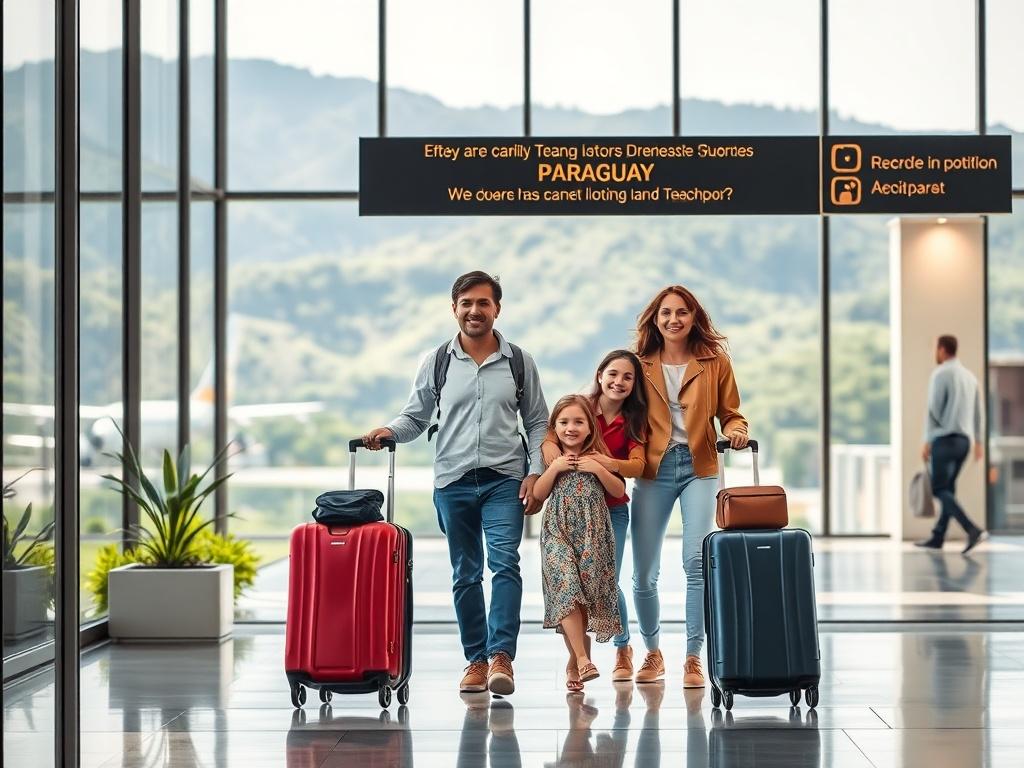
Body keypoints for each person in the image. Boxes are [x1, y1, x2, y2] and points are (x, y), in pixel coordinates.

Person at [362, 271, 549, 696]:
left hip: (506, 478)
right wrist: (389, 431)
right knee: (466, 572)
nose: (474, 311)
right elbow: (416, 417)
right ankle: (475, 660)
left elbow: (537, 421)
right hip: (453, 480)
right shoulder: (438, 361)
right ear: (454, 309)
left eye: (483, 303)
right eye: (466, 303)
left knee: (505, 563)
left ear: (497, 309)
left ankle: (502, 657)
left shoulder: (519, 361)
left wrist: (535, 473)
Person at [629, 285, 749, 688]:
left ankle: (694, 657)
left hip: (701, 465)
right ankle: (652, 652)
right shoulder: (640, 363)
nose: (674, 319)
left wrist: (736, 430)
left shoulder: (714, 362)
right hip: (652, 468)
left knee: (696, 562)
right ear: (655, 319)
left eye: (682, 312)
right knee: (644, 571)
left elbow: (731, 414)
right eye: (666, 313)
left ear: (694, 317)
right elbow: (612, 406)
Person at [541, 350, 648, 682]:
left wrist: (603, 463)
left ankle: (622, 648)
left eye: (627, 377)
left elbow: (635, 469)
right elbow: (549, 436)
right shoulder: (579, 407)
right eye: (612, 374)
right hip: (561, 520)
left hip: (607, 515)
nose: (618, 382)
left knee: (604, 584)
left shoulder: (632, 420)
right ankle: (579, 658)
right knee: (566, 585)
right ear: (599, 374)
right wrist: (552, 460)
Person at [534, 395, 624, 692]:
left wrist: (598, 468)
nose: (570, 428)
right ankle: (584, 659)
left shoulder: (599, 454)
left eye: (578, 422)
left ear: (589, 428)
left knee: (583, 598)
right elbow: (538, 492)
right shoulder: (551, 456)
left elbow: (619, 489)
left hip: (592, 534)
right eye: (563, 422)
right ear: (554, 426)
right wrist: (555, 468)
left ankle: (574, 662)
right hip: (557, 531)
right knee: (566, 587)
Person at [915, 334, 987, 554]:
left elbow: (933, 410)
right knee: (948, 489)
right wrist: (979, 441)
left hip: (944, 440)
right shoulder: (969, 376)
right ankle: (938, 536)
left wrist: (927, 440)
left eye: (936, 349)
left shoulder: (941, 373)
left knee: (939, 489)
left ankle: (971, 529)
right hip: (964, 442)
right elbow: (978, 412)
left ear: (942, 349)